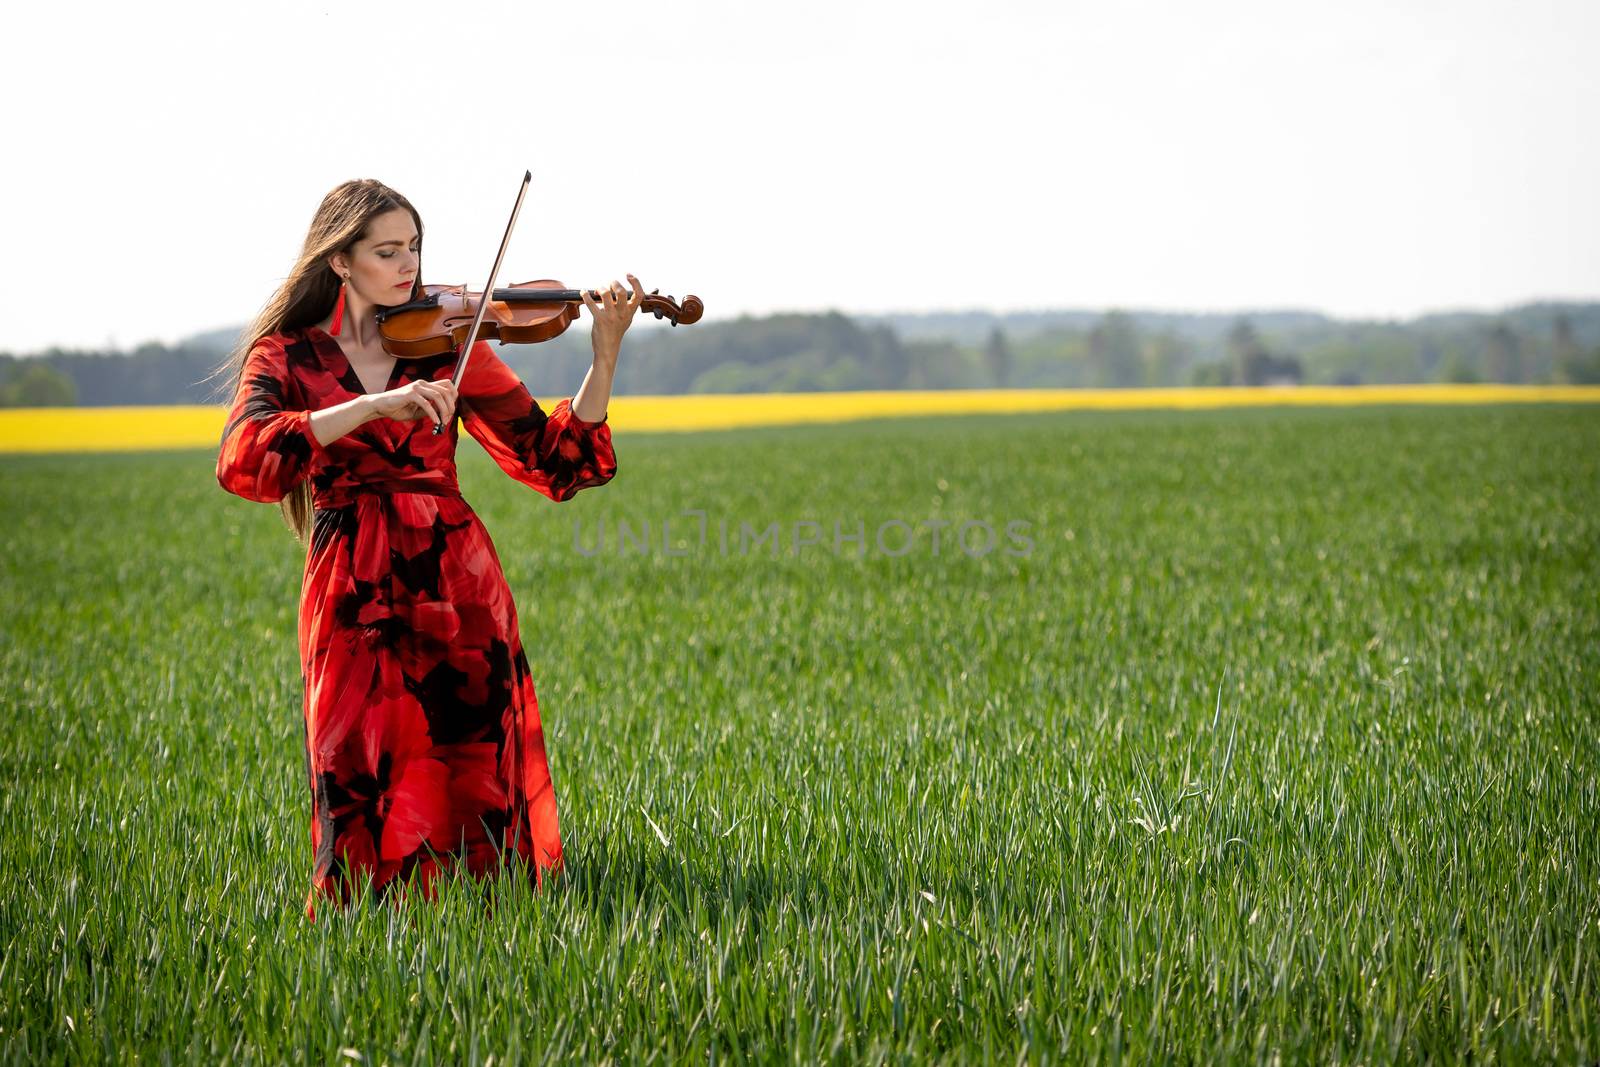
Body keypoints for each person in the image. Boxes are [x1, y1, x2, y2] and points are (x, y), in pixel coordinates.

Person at [211, 178, 639, 921]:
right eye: (386, 251)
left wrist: (602, 359)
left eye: (413, 246)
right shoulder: (286, 358)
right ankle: (359, 929)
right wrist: (370, 405)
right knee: (352, 758)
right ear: (339, 262)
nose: (408, 266)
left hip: (455, 577)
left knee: (471, 755)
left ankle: (496, 927)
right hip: (350, 581)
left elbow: (555, 459)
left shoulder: (451, 344)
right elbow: (244, 460)